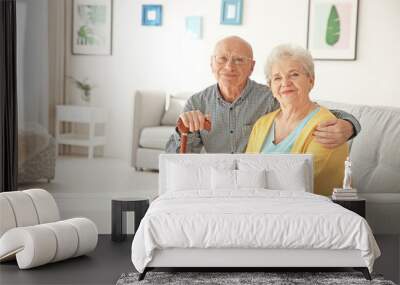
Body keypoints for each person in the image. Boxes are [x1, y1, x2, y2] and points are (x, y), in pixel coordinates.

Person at [166, 36, 360, 155]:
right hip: (216, 185)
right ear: (211, 64)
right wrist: (182, 130)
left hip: (257, 188)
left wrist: (350, 125)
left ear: (252, 67)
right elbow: (176, 159)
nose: (229, 67)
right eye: (222, 59)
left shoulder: (270, 96)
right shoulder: (197, 102)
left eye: (239, 60)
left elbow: (308, 113)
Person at [246, 44, 348, 196]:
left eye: (294, 75)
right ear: (271, 87)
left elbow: (301, 180)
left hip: (310, 212)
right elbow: (246, 172)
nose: (285, 83)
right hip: (262, 207)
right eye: (277, 78)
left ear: (311, 80)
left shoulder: (327, 124)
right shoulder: (262, 124)